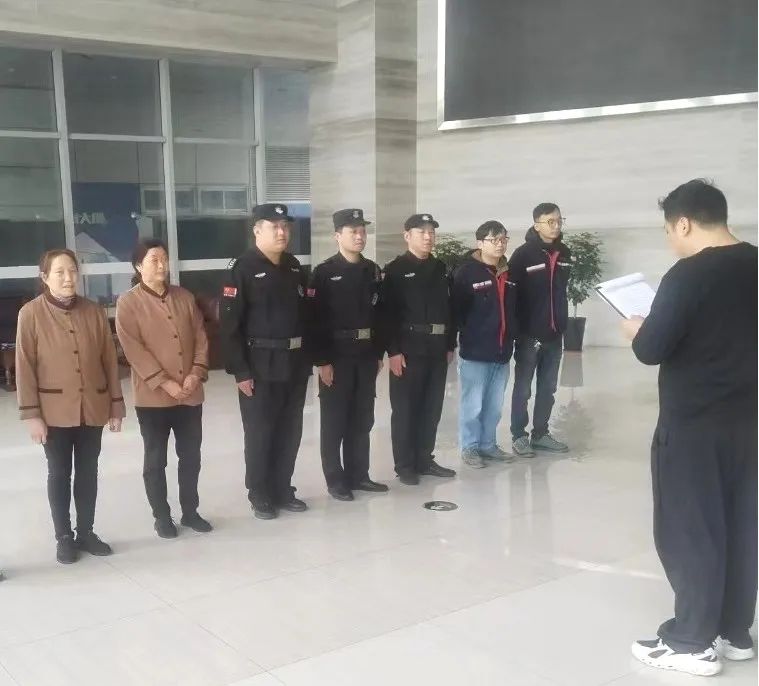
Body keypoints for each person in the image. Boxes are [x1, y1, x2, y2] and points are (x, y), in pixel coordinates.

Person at [623, 180, 757, 677]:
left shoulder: (688, 273)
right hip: (747, 420)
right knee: (740, 523)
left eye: (667, 231)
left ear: (683, 223)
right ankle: (734, 631)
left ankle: (691, 640)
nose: (670, 240)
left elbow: (651, 348)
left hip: (693, 425)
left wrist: (636, 329)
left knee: (690, 527)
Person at [15, 249, 125, 564]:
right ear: (45, 277)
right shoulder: (31, 314)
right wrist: (31, 415)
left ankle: (85, 532)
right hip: (53, 412)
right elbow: (24, 367)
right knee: (59, 473)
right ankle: (63, 536)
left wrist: (116, 405)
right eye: (60, 272)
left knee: (88, 472)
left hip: (93, 406)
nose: (68, 278)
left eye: (73, 271)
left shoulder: (93, 311)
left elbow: (109, 361)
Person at [220, 203, 311, 520]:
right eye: (275, 227)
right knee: (260, 433)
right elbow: (229, 326)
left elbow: (306, 316)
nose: (282, 232)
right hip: (259, 366)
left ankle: (283, 488)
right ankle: (259, 493)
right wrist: (240, 371)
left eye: (286, 226)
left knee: (290, 431)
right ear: (257, 230)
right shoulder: (242, 268)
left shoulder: (294, 267)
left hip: (294, 363)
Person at [116, 239, 212, 539]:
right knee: (156, 460)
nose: (161, 265)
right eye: (154, 259)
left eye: (164, 259)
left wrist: (195, 373)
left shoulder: (184, 296)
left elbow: (200, 337)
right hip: (153, 398)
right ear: (138, 266)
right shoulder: (128, 303)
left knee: (191, 456)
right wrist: (166, 383)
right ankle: (161, 516)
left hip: (190, 394)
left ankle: (191, 511)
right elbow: (134, 350)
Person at [308, 208, 389, 501]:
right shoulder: (324, 273)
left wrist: (378, 353)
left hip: (365, 355)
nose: (359, 236)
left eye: (363, 231)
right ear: (337, 236)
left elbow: (381, 315)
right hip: (337, 356)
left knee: (362, 418)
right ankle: (335, 479)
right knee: (335, 421)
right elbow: (314, 320)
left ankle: (359, 475)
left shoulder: (372, 271)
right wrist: (322, 361)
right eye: (353, 231)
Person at [382, 213, 457, 485]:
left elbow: (450, 309)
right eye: (422, 232)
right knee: (405, 409)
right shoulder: (395, 270)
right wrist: (393, 351)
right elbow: (387, 314)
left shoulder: (441, 268)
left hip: (437, 348)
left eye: (431, 232)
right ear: (407, 236)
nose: (428, 237)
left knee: (431, 408)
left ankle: (425, 459)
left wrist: (450, 343)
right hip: (408, 349)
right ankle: (404, 465)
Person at [451, 220, 518, 469]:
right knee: (473, 404)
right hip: (475, 352)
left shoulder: (510, 273)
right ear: (480, 243)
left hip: (502, 351)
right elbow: (456, 311)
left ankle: (488, 445)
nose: (500, 244)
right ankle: (469, 447)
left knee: (494, 406)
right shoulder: (466, 273)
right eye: (494, 239)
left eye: (503, 239)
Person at [508, 203, 572, 457]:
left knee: (548, 388)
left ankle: (541, 433)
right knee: (523, 388)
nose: (556, 226)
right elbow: (511, 294)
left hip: (555, 334)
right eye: (550, 222)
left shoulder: (564, 252)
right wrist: (518, 329)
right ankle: (518, 435)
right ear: (537, 225)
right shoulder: (523, 255)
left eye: (559, 221)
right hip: (529, 335)